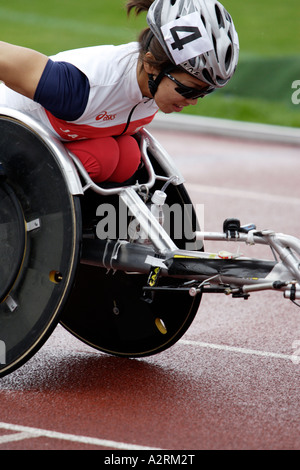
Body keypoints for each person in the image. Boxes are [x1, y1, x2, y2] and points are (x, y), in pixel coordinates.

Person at [0, 0, 239, 184]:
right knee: (103, 158)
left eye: (204, 93)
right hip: (8, 144)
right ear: (151, 65)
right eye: (189, 90)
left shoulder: (156, 84)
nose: (193, 101)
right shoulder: (78, 88)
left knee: (126, 157)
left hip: (46, 146)